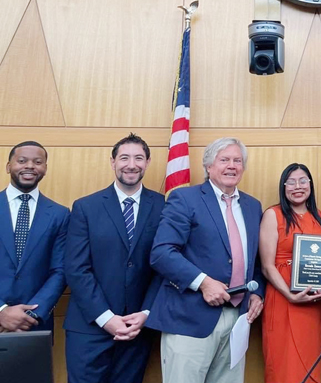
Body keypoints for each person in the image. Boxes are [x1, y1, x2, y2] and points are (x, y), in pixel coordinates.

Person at [148, 138, 265, 383]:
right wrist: (203, 283)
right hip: (189, 318)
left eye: (237, 161)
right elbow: (162, 253)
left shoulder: (253, 206)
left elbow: (253, 260)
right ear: (209, 166)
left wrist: (257, 292)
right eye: (224, 160)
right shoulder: (185, 199)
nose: (231, 166)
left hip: (237, 320)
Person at [64, 134, 165, 383]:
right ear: (112, 162)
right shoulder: (85, 207)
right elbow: (76, 269)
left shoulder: (164, 206)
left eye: (139, 158)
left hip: (136, 329)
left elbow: (164, 266)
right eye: (124, 158)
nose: (131, 164)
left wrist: (146, 312)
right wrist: (106, 318)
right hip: (88, 328)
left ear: (148, 162)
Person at [259, 163, 321, 383]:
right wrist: (289, 293)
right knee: (283, 366)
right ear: (283, 186)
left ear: (310, 185)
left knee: (309, 366)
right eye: (291, 182)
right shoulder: (273, 214)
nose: (297, 186)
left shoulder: (320, 216)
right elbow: (267, 266)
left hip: (312, 304)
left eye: (303, 181)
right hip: (282, 300)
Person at [0, 141, 69, 333]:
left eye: (37, 162)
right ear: (8, 167)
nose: (30, 166)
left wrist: (30, 315)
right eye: (22, 160)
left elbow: (60, 270)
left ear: (45, 169)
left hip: (34, 324)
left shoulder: (60, 214)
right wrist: (2, 311)